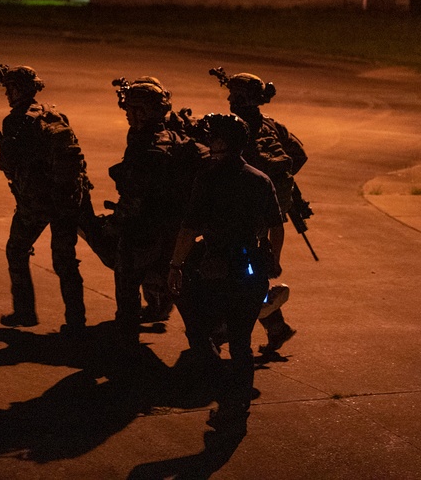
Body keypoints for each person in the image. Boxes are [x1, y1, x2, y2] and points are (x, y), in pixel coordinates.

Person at [167, 113, 284, 437]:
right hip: (251, 270)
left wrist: (176, 266)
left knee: (203, 330)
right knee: (242, 342)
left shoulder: (208, 178)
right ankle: (237, 403)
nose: (211, 143)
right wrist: (274, 261)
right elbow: (276, 226)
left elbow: (189, 229)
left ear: (224, 142)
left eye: (215, 137)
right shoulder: (260, 179)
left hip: (216, 269)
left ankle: (215, 387)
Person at [104, 77, 205, 347]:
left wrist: (114, 224)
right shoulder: (175, 137)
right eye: (129, 109)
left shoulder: (146, 147)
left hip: (144, 229)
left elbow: (134, 197)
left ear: (150, 110)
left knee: (127, 284)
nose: (130, 114)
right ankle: (202, 340)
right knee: (175, 285)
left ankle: (126, 344)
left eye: (136, 109)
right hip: (173, 228)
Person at [0, 64, 90, 335]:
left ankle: (25, 311)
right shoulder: (56, 113)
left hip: (36, 203)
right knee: (65, 261)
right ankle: (76, 321)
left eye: (10, 89)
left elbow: (8, 164)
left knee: (16, 249)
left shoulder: (14, 121)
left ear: (19, 90)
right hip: (66, 199)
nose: (7, 95)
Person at [217, 70, 307, 354]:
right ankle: (275, 326)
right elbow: (299, 155)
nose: (230, 98)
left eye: (234, 94)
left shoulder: (236, 130)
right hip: (270, 209)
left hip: (247, 210)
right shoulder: (271, 125)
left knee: (235, 265)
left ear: (243, 98)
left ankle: (222, 328)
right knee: (250, 264)